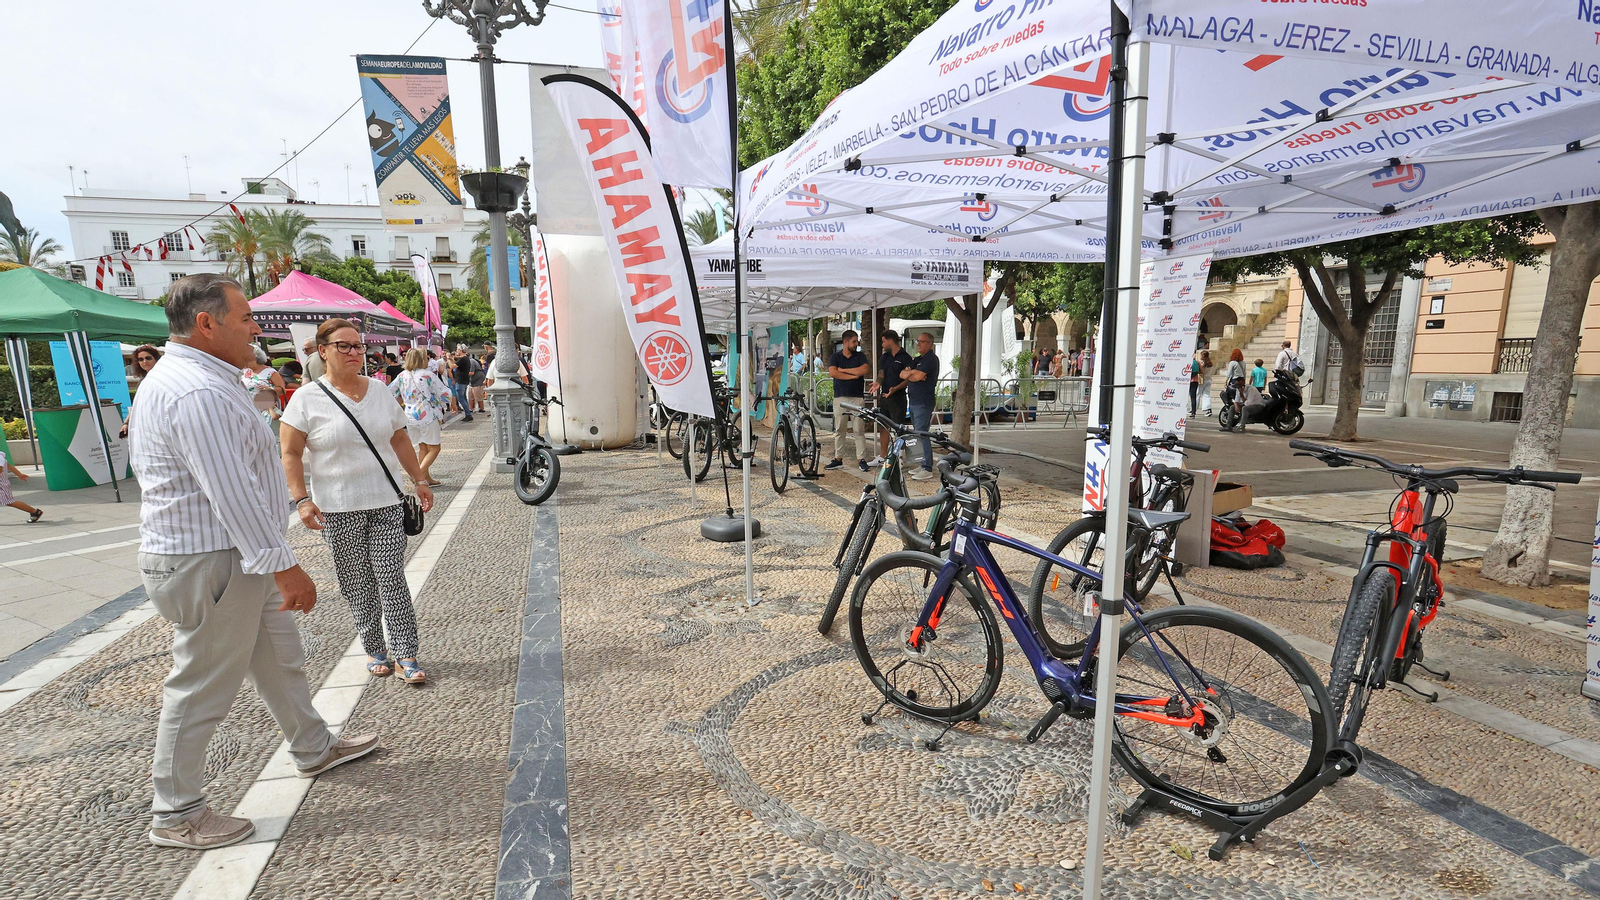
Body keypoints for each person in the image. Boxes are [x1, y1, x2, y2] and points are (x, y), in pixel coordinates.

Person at [130, 275, 377, 850]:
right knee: (201, 685)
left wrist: (268, 562)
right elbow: (229, 491)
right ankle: (176, 812)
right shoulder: (195, 390)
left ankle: (312, 745)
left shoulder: (202, 380)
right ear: (206, 324)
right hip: (212, 558)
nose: (256, 326)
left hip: (233, 557)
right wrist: (283, 563)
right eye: (245, 317)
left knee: (278, 656)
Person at [280, 318, 436, 686]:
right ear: (323, 351)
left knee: (390, 576)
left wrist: (419, 479)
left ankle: (406, 652)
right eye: (343, 346)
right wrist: (301, 500)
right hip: (337, 508)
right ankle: (374, 647)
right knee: (356, 581)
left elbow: (398, 438)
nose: (354, 353)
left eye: (358, 346)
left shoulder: (380, 391)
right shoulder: (306, 398)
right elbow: (290, 451)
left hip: (385, 502)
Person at [391, 348, 451, 486]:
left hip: (410, 416)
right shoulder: (427, 375)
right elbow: (445, 394)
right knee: (435, 448)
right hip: (427, 414)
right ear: (421, 359)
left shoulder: (402, 375)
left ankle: (426, 478)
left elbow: (390, 391)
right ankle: (418, 475)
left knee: (423, 447)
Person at [823, 329, 870, 471]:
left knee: (859, 430)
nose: (856, 344)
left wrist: (843, 371)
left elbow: (863, 370)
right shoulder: (835, 357)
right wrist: (851, 375)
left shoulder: (860, 356)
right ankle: (838, 458)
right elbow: (833, 372)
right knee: (840, 429)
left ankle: (861, 459)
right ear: (845, 342)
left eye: (857, 341)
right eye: (854, 341)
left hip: (857, 397)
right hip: (840, 397)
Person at [872, 329, 913, 466]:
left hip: (898, 397)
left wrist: (895, 388)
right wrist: (878, 382)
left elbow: (909, 378)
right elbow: (881, 373)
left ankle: (899, 458)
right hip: (884, 396)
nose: (882, 344)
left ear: (890, 340)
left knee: (899, 428)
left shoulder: (905, 357)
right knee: (883, 426)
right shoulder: (885, 357)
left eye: (883, 341)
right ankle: (882, 456)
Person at [904, 332, 941, 480]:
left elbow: (917, 377)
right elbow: (903, 374)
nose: (918, 344)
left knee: (922, 434)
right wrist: (913, 373)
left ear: (930, 344)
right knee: (917, 434)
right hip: (913, 400)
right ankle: (922, 463)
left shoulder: (931, 359)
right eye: (917, 341)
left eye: (921, 341)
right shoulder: (918, 359)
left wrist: (913, 374)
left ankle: (927, 467)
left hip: (923, 401)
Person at [241, 345, 286, 436]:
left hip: (267, 411)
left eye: (248, 360)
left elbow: (282, 390)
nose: (246, 363)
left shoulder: (271, 372)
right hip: (248, 408)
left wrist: (269, 389)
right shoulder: (245, 371)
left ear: (256, 359)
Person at [1, 451, 42, 522]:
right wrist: (19, 474)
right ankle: (35, 512)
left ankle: (35, 512)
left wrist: (19, 474)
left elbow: (0, 469)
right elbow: (8, 466)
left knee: (9, 502)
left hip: (2, 485)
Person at [1223, 348, 1247, 430]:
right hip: (1241, 380)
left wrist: (1226, 381)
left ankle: (1229, 405)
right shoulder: (1243, 363)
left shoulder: (1232, 363)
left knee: (1225, 393)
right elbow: (1244, 373)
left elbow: (1229, 373)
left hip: (1234, 380)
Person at [450, 346, 474, 421]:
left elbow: (452, 366)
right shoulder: (465, 359)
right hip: (463, 380)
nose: (456, 351)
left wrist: (448, 359)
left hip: (461, 381)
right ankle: (468, 413)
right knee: (463, 397)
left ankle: (468, 414)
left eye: (457, 350)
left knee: (461, 398)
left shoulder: (463, 359)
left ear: (461, 350)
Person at [467, 348, 488, 414]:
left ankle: (481, 408)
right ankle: (471, 408)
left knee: (478, 395)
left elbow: (471, 372)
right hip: (472, 381)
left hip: (478, 380)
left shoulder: (471, 362)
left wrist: (463, 374)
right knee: (470, 395)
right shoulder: (470, 362)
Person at [1197, 349, 1216, 417]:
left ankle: (1194, 408)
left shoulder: (1201, 363)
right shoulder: (1210, 363)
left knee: (1198, 394)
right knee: (1206, 395)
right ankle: (1208, 409)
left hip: (1202, 379)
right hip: (1208, 379)